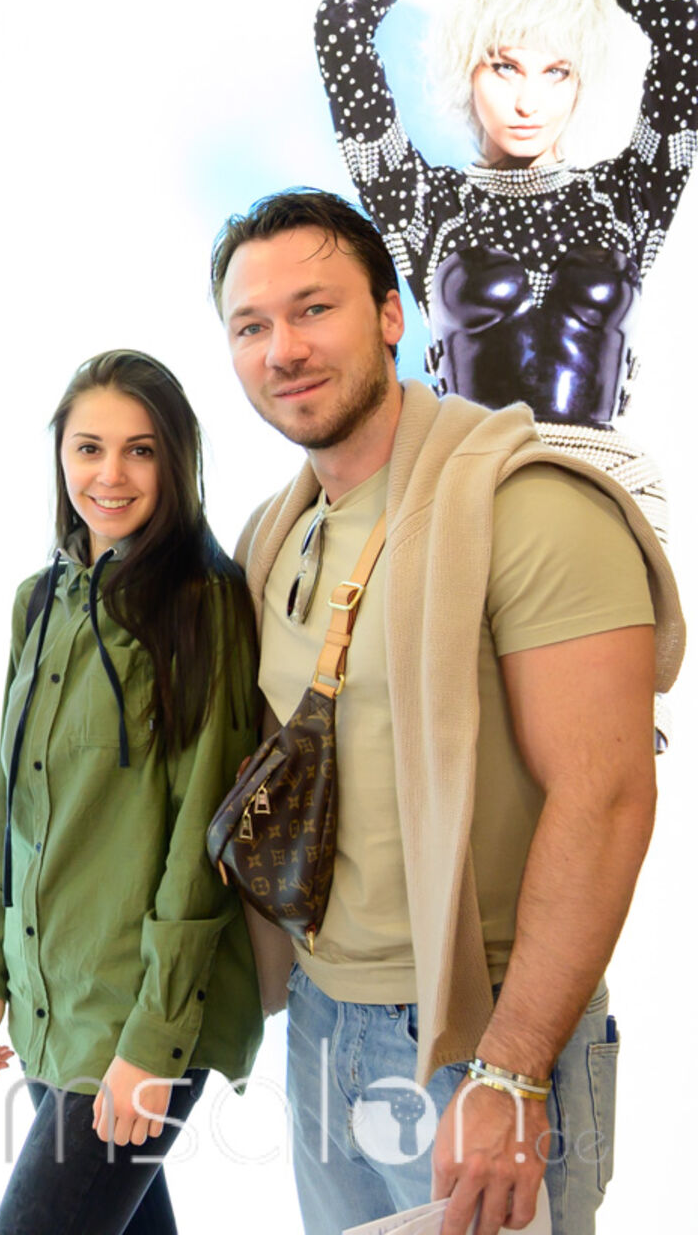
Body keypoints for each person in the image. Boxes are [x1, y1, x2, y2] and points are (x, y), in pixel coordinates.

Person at [211, 188, 680, 1235]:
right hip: (323, 1018)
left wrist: (511, 1070)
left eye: (314, 309)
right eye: (251, 326)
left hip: (481, 1037)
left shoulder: (529, 505)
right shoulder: (276, 535)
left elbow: (606, 794)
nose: (285, 349)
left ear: (392, 314)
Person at [0, 350, 263, 1234]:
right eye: (89, 448)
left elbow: (202, 840)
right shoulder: (39, 601)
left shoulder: (205, 604)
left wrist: (152, 1041)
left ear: (177, 460)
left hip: (139, 1011)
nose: (111, 475)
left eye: (140, 451)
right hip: (50, 995)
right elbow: (12, 806)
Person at [316, 0, 698, 544]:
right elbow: (341, 24)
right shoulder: (424, 205)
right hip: (471, 491)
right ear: (467, 68)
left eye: (556, 72)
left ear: (580, 78)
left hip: (608, 493)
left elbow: (681, 26)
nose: (528, 101)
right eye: (505, 67)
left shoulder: (627, 200)